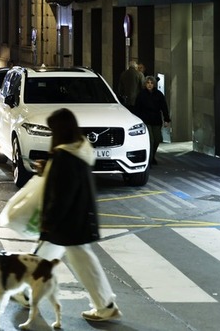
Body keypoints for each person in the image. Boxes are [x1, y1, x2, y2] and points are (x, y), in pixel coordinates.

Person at [35, 108, 121, 322]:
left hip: (69, 223)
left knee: (84, 265)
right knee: (43, 256)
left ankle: (105, 305)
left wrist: (48, 221)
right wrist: (48, 167)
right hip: (75, 219)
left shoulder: (65, 156)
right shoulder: (77, 149)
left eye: (52, 129)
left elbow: (62, 193)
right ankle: (26, 293)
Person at [133, 75, 171, 165]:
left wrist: (166, 119)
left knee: (157, 139)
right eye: (148, 83)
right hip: (145, 120)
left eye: (151, 83)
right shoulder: (141, 94)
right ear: (145, 84)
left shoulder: (159, 94)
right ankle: (149, 160)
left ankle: (152, 156)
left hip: (156, 120)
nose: (150, 85)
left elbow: (164, 107)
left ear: (154, 84)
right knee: (151, 140)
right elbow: (137, 108)